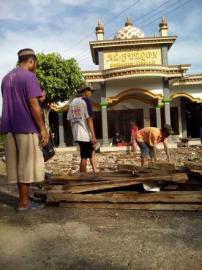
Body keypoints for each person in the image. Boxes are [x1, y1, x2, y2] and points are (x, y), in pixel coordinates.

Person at [1, 48, 49, 211]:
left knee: (16, 165)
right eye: (35, 63)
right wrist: (42, 128)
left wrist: (38, 97)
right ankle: (24, 203)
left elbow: (16, 100)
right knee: (27, 165)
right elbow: (32, 104)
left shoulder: (5, 79)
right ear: (31, 61)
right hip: (26, 126)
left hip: (8, 127)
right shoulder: (29, 76)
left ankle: (23, 199)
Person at [67, 84, 97, 173]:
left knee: (90, 152)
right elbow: (89, 119)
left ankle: (95, 171)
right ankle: (83, 176)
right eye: (90, 91)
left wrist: (73, 130)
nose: (91, 93)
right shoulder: (85, 101)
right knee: (84, 156)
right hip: (85, 134)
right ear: (85, 91)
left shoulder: (72, 102)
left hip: (77, 133)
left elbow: (69, 119)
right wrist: (93, 135)